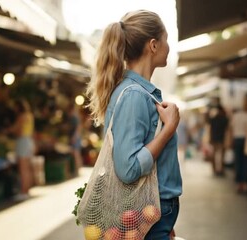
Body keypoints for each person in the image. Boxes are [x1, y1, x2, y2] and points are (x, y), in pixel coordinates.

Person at [85, 10, 182, 239]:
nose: (169, 47)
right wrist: (168, 130)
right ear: (153, 45)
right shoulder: (134, 96)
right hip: (148, 211)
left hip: (154, 212)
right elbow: (128, 169)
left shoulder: (138, 93)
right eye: (166, 40)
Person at [7, 99, 35, 200]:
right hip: (29, 141)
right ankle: (27, 190)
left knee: (22, 169)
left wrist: (8, 130)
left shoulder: (21, 117)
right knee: (27, 168)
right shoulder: (30, 116)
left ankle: (23, 191)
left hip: (22, 141)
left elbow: (17, 130)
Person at [231, 94, 247, 193]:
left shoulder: (236, 116)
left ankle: (239, 184)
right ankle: (245, 184)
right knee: (246, 162)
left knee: (238, 162)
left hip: (237, 140)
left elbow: (232, 128)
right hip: (246, 140)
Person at [206, 98, 229, 176]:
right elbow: (227, 130)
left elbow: (209, 128)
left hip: (214, 138)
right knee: (221, 155)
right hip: (221, 138)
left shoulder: (213, 118)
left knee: (214, 155)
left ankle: (215, 169)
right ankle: (220, 169)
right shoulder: (224, 119)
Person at [67, 103, 83, 175]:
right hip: (76, 137)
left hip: (76, 137)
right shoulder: (74, 117)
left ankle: (78, 170)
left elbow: (78, 128)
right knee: (76, 154)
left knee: (76, 154)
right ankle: (77, 169)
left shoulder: (74, 117)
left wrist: (74, 137)